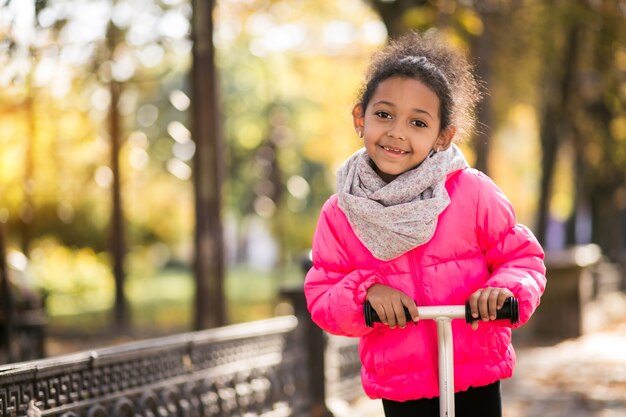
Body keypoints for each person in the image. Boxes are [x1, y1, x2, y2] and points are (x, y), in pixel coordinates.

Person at [303, 30, 546, 417]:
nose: (397, 132)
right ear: (359, 118)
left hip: (474, 370)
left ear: (442, 136)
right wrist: (366, 294)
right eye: (384, 114)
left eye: (418, 123)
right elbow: (322, 293)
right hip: (401, 381)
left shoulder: (471, 191)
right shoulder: (341, 212)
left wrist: (503, 291)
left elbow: (522, 258)